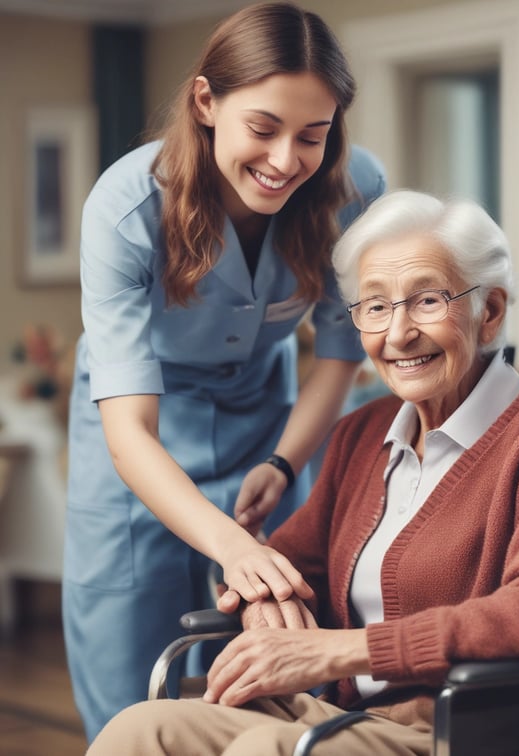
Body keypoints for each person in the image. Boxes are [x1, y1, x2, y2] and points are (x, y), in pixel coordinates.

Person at [87, 190, 519, 756]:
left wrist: (336, 652)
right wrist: (264, 603)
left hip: (460, 731)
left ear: (489, 312)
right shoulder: (362, 433)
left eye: (427, 300)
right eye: (375, 307)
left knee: (264, 751)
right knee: (138, 732)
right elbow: (290, 566)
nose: (398, 334)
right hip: (344, 717)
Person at [63, 2, 386, 742]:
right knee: (124, 662)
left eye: (312, 135)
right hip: (138, 431)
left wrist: (284, 461)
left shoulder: (355, 190)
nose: (286, 160)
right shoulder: (125, 208)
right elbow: (130, 432)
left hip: (266, 421)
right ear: (206, 103)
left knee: (269, 658)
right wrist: (233, 547)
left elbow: (340, 355)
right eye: (263, 128)